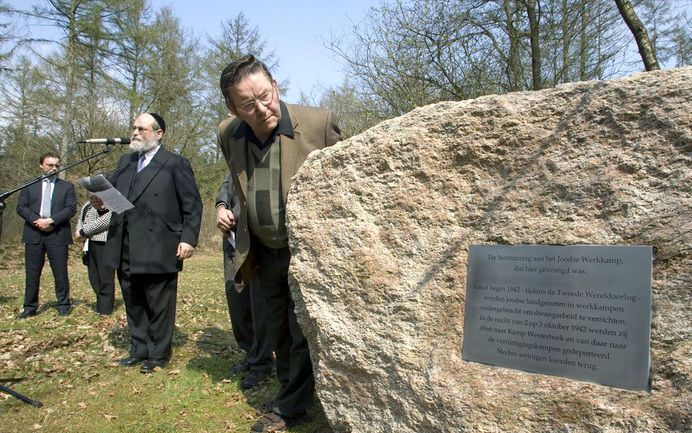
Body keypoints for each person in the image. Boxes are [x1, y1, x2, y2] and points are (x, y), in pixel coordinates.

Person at [217, 55, 341, 432]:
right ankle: (293, 390)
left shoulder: (318, 123)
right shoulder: (228, 133)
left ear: (275, 85)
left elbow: (347, 182)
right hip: (263, 250)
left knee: (302, 328)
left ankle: (290, 405)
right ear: (232, 108)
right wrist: (225, 205)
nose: (261, 109)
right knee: (279, 328)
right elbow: (235, 181)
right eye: (248, 105)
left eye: (265, 96)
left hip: (309, 251)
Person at [100, 112, 202, 374]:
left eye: (141, 128)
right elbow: (115, 198)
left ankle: (158, 353)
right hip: (124, 240)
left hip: (159, 243)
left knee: (158, 301)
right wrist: (100, 200)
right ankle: (139, 348)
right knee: (133, 299)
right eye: (133, 127)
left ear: (159, 134)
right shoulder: (125, 162)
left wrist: (188, 238)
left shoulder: (175, 163)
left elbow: (192, 205)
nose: (135, 132)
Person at [216, 170, 273, 389]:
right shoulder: (237, 157)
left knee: (259, 304)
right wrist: (220, 208)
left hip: (258, 241)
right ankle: (250, 355)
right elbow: (226, 186)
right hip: (232, 240)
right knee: (237, 301)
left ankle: (262, 363)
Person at [16, 152, 76, 318]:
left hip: (57, 234)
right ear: (41, 165)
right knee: (32, 272)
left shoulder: (67, 186)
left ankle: (63, 304)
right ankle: (29, 307)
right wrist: (37, 221)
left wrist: (51, 221)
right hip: (33, 233)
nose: (54, 168)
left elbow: (70, 209)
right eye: (50, 165)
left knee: (60, 272)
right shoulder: (29, 185)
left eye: (57, 165)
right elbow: (21, 207)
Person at [75, 195, 115, 315]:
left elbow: (105, 221)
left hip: (104, 242)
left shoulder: (109, 203)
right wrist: (79, 231)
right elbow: (81, 220)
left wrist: (84, 231)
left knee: (105, 276)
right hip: (89, 242)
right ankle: (100, 301)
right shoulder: (88, 203)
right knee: (93, 275)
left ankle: (105, 308)